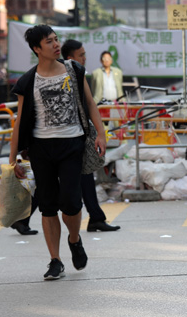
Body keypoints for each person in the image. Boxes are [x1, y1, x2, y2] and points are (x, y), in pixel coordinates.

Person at [9, 24, 106, 280]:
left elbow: (90, 103)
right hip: (41, 148)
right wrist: (13, 160)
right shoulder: (28, 81)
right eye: (49, 42)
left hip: (72, 144)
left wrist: (102, 134)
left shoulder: (73, 70)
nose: (55, 44)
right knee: (48, 207)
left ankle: (74, 239)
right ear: (36, 49)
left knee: (72, 204)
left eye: (56, 39)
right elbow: (19, 122)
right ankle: (55, 260)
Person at [62, 40, 121, 232]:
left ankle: (95, 217)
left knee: (86, 174)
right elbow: (88, 103)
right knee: (54, 184)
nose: (85, 58)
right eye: (81, 55)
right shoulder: (62, 75)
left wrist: (98, 133)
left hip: (79, 134)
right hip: (65, 138)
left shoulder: (78, 73)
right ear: (70, 58)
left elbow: (87, 104)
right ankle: (25, 215)